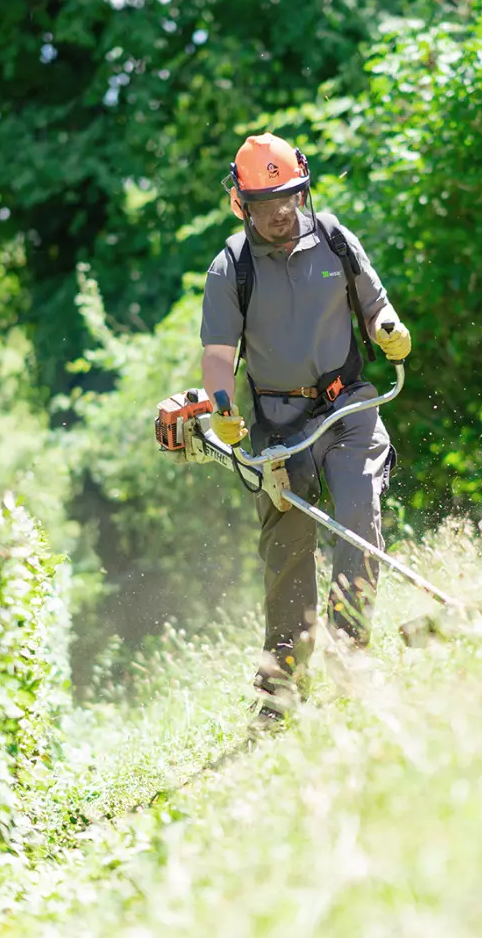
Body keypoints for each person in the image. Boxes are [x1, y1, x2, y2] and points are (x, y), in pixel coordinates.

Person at [199, 132, 412, 723]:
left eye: (290, 196)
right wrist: (222, 403)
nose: (281, 212)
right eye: (266, 204)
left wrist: (389, 327)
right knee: (288, 548)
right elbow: (219, 353)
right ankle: (283, 679)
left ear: (303, 187)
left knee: (358, 513)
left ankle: (351, 653)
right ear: (241, 204)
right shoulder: (231, 267)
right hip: (277, 424)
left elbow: (375, 306)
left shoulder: (336, 240)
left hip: (347, 407)